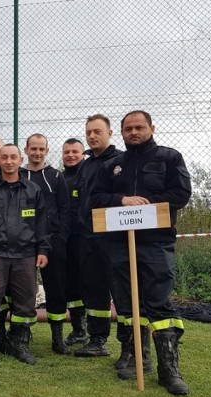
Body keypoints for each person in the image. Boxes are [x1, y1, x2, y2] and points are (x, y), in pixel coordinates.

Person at [92, 110, 191, 395]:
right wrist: (121, 200)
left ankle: (169, 369)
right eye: (128, 128)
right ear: (120, 133)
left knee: (159, 302)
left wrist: (144, 206)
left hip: (156, 243)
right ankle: (135, 355)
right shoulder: (112, 166)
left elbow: (181, 194)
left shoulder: (169, 158)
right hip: (118, 243)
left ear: (151, 128)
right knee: (126, 304)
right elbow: (95, 198)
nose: (134, 132)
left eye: (139, 127)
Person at [0, 144, 50, 365]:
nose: (9, 161)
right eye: (4, 157)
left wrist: (42, 249)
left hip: (25, 255)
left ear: (20, 159)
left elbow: (42, 223)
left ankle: (19, 341)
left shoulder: (33, 190)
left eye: (13, 157)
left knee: (25, 302)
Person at [73, 114, 123, 359]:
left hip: (113, 238)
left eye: (97, 132)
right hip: (88, 237)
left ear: (110, 133)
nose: (92, 136)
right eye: (89, 132)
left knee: (120, 289)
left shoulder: (120, 161)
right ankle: (97, 339)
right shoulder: (85, 164)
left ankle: (129, 345)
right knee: (93, 289)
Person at [21, 133, 71, 355]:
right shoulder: (19, 176)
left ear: (47, 151)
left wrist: (60, 238)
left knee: (56, 289)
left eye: (41, 149)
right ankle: (21, 333)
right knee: (21, 290)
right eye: (33, 149)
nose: (37, 153)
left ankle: (57, 337)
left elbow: (65, 210)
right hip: (22, 244)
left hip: (52, 243)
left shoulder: (56, 176)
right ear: (26, 150)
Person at [61, 138, 88, 345]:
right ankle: (79, 329)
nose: (70, 155)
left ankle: (97, 333)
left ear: (82, 154)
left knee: (91, 284)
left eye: (75, 152)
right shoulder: (60, 179)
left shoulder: (88, 176)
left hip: (88, 240)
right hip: (66, 241)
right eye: (67, 152)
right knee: (71, 286)